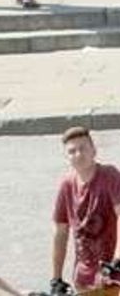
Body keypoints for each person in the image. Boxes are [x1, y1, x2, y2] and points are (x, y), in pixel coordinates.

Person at [50, 126, 120, 294]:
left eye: (83, 148)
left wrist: (118, 259)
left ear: (94, 150)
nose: (78, 154)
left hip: (112, 275)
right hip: (83, 278)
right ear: (67, 157)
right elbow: (60, 232)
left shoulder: (110, 176)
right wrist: (56, 278)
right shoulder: (67, 186)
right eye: (72, 151)